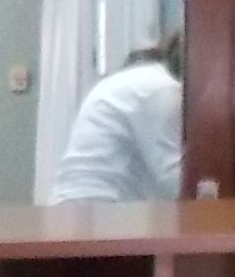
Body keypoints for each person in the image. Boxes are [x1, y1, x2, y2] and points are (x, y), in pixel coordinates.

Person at [46, 29, 184, 203]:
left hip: (76, 202)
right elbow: (174, 179)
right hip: (102, 203)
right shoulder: (160, 89)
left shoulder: (137, 80)